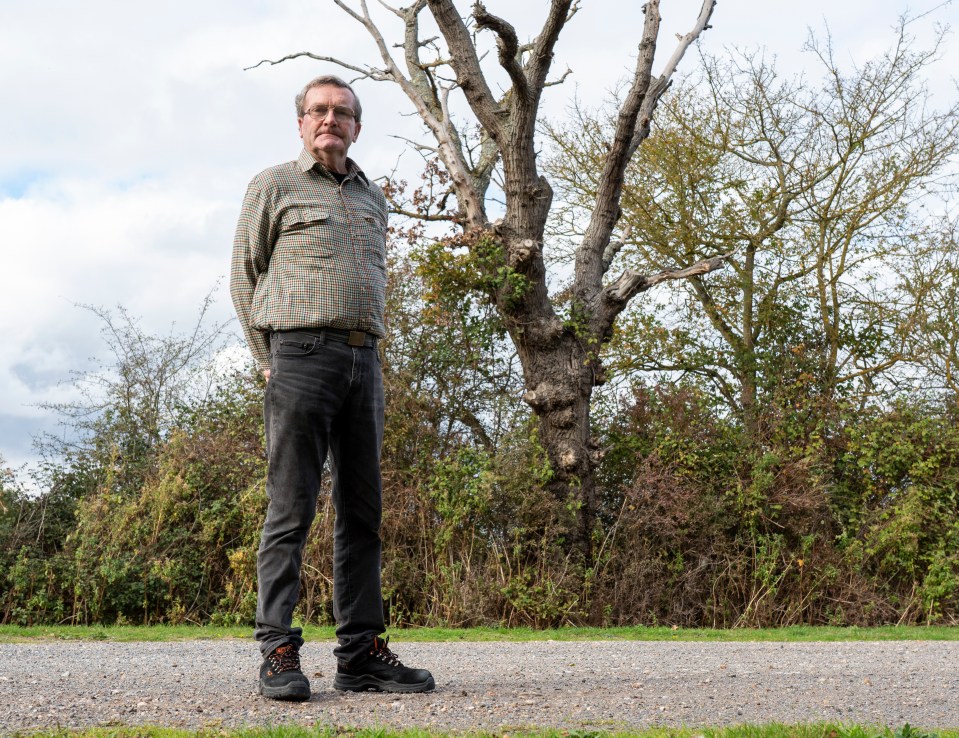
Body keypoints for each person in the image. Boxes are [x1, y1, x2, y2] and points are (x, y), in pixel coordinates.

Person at [230, 74, 435, 701]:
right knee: (291, 508)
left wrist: (370, 357)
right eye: (318, 110)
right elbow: (244, 274)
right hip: (299, 354)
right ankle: (278, 651)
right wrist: (267, 357)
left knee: (363, 513)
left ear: (356, 126)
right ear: (301, 122)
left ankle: (361, 653)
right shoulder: (274, 184)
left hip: (364, 361)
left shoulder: (372, 195)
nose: (330, 120)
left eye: (342, 112)